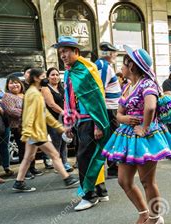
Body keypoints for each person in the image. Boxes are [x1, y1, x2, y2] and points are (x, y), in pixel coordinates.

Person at [102, 46, 171, 224]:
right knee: (123, 180)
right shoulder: (127, 86)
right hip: (128, 136)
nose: (120, 68)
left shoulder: (148, 84)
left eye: (123, 63)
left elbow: (150, 107)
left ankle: (155, 218)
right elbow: (119, 113)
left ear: (131, 65)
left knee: (147, 181)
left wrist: (145, 127)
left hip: (144, 137)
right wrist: (125, 119)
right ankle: (143, 213)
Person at [54, 36, 112, 211]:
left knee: (84, 158)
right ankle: (100, 191)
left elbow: (97, 97)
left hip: (90, 120)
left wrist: (98, 124)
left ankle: (89, 196)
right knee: (92, 155)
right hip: (80, 120)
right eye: (60, 52)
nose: (62, 55)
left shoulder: (86, 69)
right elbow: (69, 99)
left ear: (75, 51)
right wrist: (69, 123)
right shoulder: (72, 71)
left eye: (65, 51)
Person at [12, 68, 79, 192]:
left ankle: (19, 182)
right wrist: (27, 132)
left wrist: (59, 128)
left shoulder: (35, 92)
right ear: (36, 78)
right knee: (54, 155)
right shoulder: (33, 93)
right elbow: (30, 114)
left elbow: (45, 114)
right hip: (37, 133)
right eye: (43, 76)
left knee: (28, 158)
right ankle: (67, 178)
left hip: (35, 132)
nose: (46, 78)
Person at [95, 42, 121, 177]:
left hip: (111, 108)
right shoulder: (103, 66)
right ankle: (112, 167)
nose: (115, 55)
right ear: (109, 53)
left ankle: (112, 166)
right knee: (112, 138)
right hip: (109, 109)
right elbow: (100, 91)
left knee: (112, 137)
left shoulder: (103, 65)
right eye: (114, 52)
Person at [41, 67, 72, 172]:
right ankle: (57, 165)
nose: (55, 77)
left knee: (64, 141)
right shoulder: (45, 88)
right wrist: (64, 112)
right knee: (56, 142)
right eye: (52, 75)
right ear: (48, 77)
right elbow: (51, 104)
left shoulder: (61, 87)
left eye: (57, 75)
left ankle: (64, 163)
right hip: (52, 119)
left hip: (63, 119)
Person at [1, 75, 27, 173]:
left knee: (31, 148)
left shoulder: (25, 95)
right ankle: (25, 171)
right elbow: (11, 111)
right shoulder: (7, 96)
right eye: (11, 83)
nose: (15, 85)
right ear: (8, 86)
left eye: (16, 82)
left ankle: (32, 167)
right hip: (18, 127)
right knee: (23, 149)